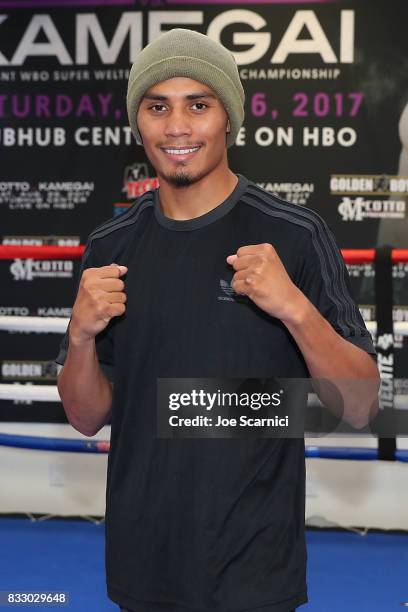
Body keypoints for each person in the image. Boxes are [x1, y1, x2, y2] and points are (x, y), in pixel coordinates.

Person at [55, 28, 380, 612]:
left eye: (198, 105)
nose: (177, 127)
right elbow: (85, 416)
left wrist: (295, 309)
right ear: (139, 124)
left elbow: (358, 405)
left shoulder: (295, 235)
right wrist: (79, 338)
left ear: (228, 117)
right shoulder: (110, 246)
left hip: (255, 570)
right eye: (158, 107)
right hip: (141, 563)